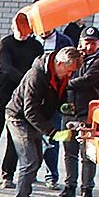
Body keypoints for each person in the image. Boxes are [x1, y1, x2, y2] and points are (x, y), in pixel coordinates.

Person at [6, 46, 84, 197]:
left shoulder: (59, 75)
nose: (69, 75)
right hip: (18, 118)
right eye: (68, 71)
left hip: (35, 118)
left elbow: (58, 98)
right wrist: (53, 132)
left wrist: (65, 108)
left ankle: (26, 196)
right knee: (29, 160)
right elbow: (30, 111)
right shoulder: (37, 75)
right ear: (59, 63)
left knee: (37, 159)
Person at [0, 14, 43, 188]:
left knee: (15, 136)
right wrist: (28, 80)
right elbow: (6, 68)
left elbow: (37, 67)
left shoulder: (36, 46)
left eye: (26, 30)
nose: (22, 34)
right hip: (2, 92)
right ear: (13, 28)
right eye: (19, 29)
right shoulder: (5, 44)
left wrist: (30, 86)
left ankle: (8, 174)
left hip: (23, 96)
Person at [61, 26, 99, 197]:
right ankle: (69, 186)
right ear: (81, 42)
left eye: (93, 43)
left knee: (87, 154)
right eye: (87, 43)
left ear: (98, 43)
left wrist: (66, 83)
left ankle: (87, 190)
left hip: (88, 115)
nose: (89, 47)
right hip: (69, 113)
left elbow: (89, 79)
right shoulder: (75, 57)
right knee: (68, 152)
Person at [38, 26, 73, 188]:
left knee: (54, 138)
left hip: (54, 99)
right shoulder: (32, 41)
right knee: (31, 139)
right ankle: (29, 173)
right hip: (36, 98)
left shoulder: (64, 42)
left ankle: (51, 176)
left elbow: (69, 75)